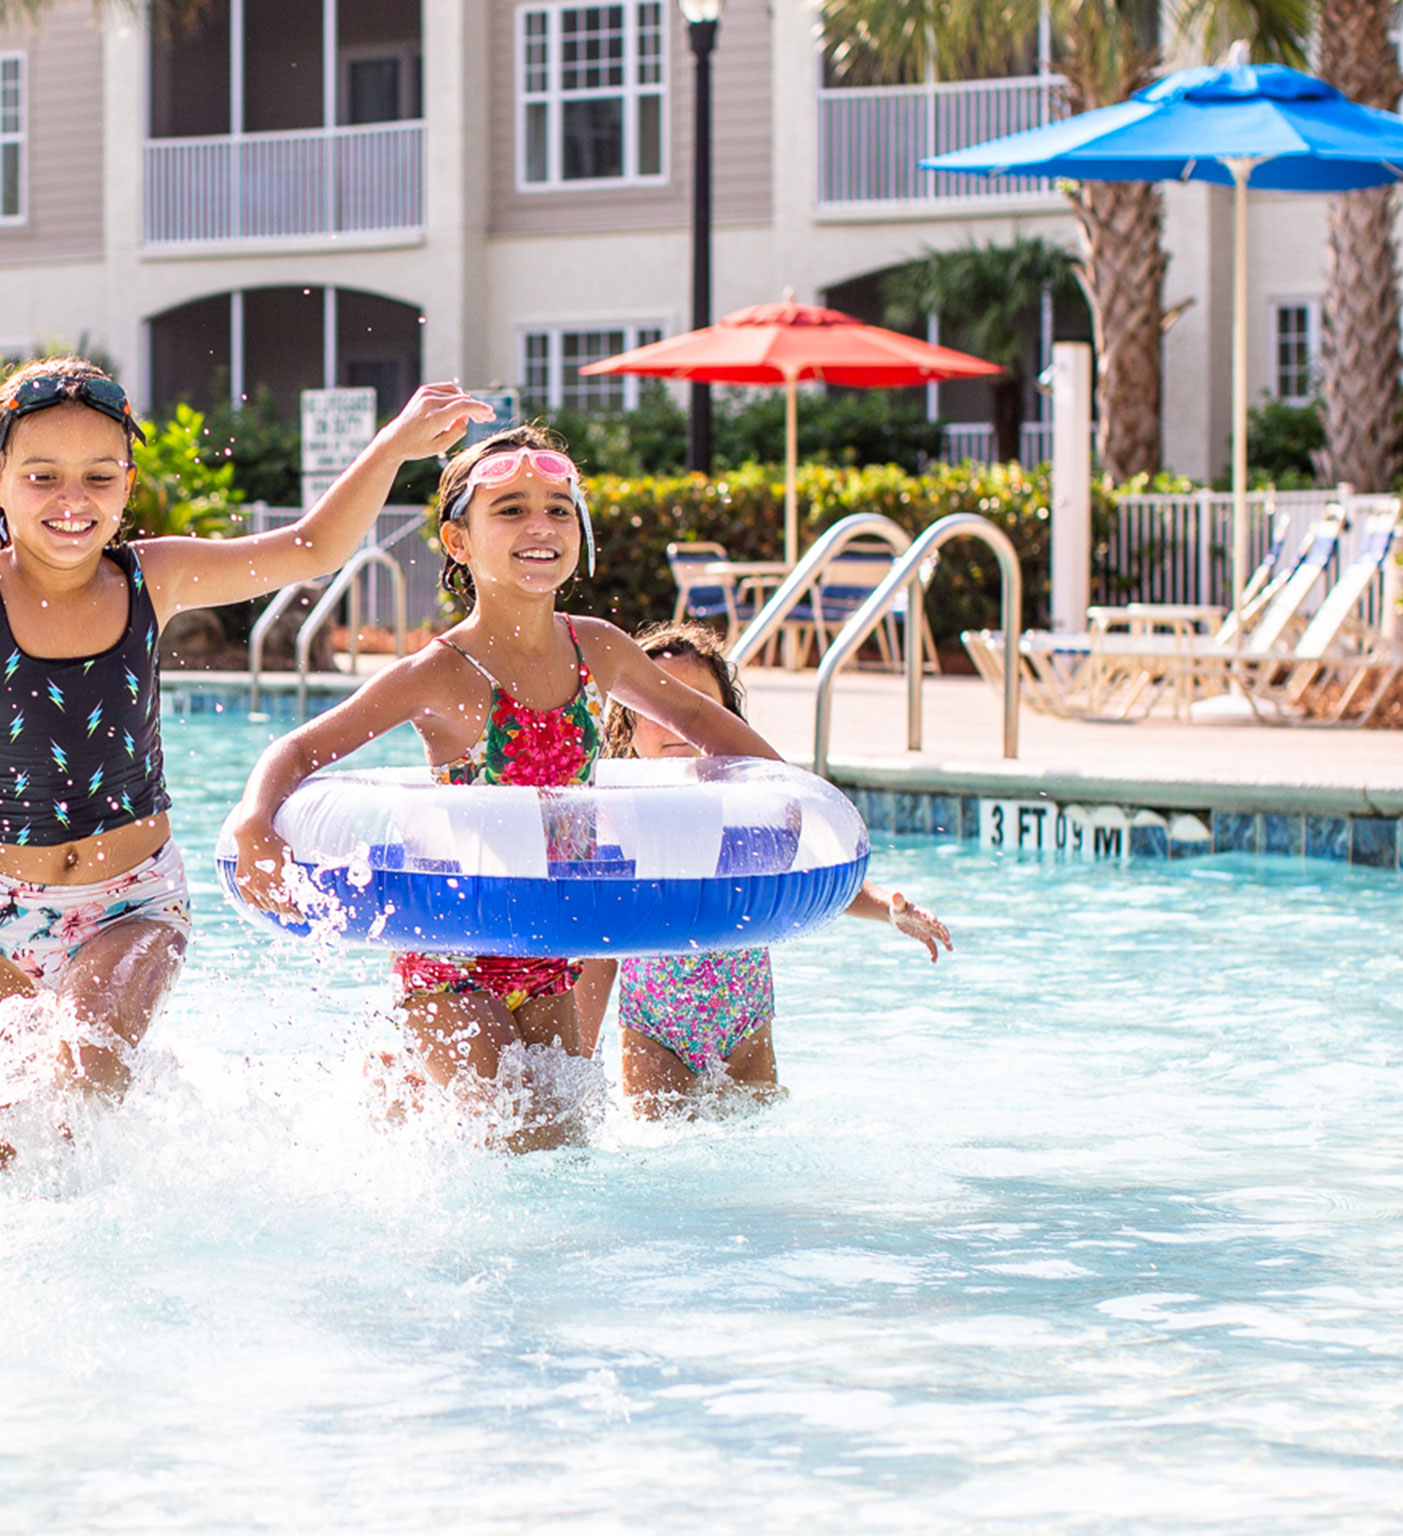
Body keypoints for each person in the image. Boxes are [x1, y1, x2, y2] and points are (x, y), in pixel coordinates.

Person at [0, 358, 490, 1177]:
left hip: (132, 900)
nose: (72, 501)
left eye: (98, 477)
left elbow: (312, 547)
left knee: (82, 1072)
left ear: (127, 484)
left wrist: (394, 445)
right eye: (41, 476)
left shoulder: (154, 577)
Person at [225, 424, 780, 1152]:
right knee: (516, 1144)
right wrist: (254, 822)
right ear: (459, 542)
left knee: (562, 1155)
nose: (541, 525)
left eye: (557, 506)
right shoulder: (440, 672)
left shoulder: (597, 649)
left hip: (546, 955)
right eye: (511, 509)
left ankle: (397, 1087)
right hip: (450, 955)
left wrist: (783, 799)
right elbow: (299, 748)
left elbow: (701, 720)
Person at [583, 619, 952, 1113]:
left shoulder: (747, 806)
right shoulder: (619, 814)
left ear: (723, 720)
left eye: (692, 704)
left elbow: (809, 871)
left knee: (750, 1147)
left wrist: (889, 907)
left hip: (746, 1022)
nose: (674, 720)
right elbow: (597, 939)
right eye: (655, 706)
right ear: (626, 725)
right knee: (661, 1150)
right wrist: (577, 1056)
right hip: (654, 1029)